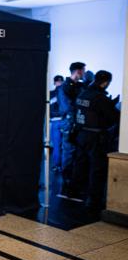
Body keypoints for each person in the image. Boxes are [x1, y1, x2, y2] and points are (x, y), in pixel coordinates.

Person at [71, 70, 120, 209]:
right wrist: (113, 105)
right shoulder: (100, 98)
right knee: (97, 168)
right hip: (95, 136)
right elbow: (113, 117)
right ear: (105, 83)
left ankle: (73, 191)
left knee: (80, 164)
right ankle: (93, 200)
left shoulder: (83, 93)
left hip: (81, 134)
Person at [57, 62, 86, 198]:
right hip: (69, 123)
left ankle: (72, 184)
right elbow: (68, 107)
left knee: (75, 154)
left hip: (76, 124)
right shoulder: (65, 87)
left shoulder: (79, 86)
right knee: (68, 153)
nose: (84, 74)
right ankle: (66, 184)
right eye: (83, 71)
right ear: (78, 71)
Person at [50, 75, 64, 172]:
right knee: (63, 147)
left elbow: (49, 110)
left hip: (55, 122)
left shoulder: (50, 94)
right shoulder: (65, 93)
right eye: (58, 81)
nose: (59, 82)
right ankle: (61, 166)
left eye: (60, 81)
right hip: (62, 121)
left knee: (57, 146)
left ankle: (56, 166)